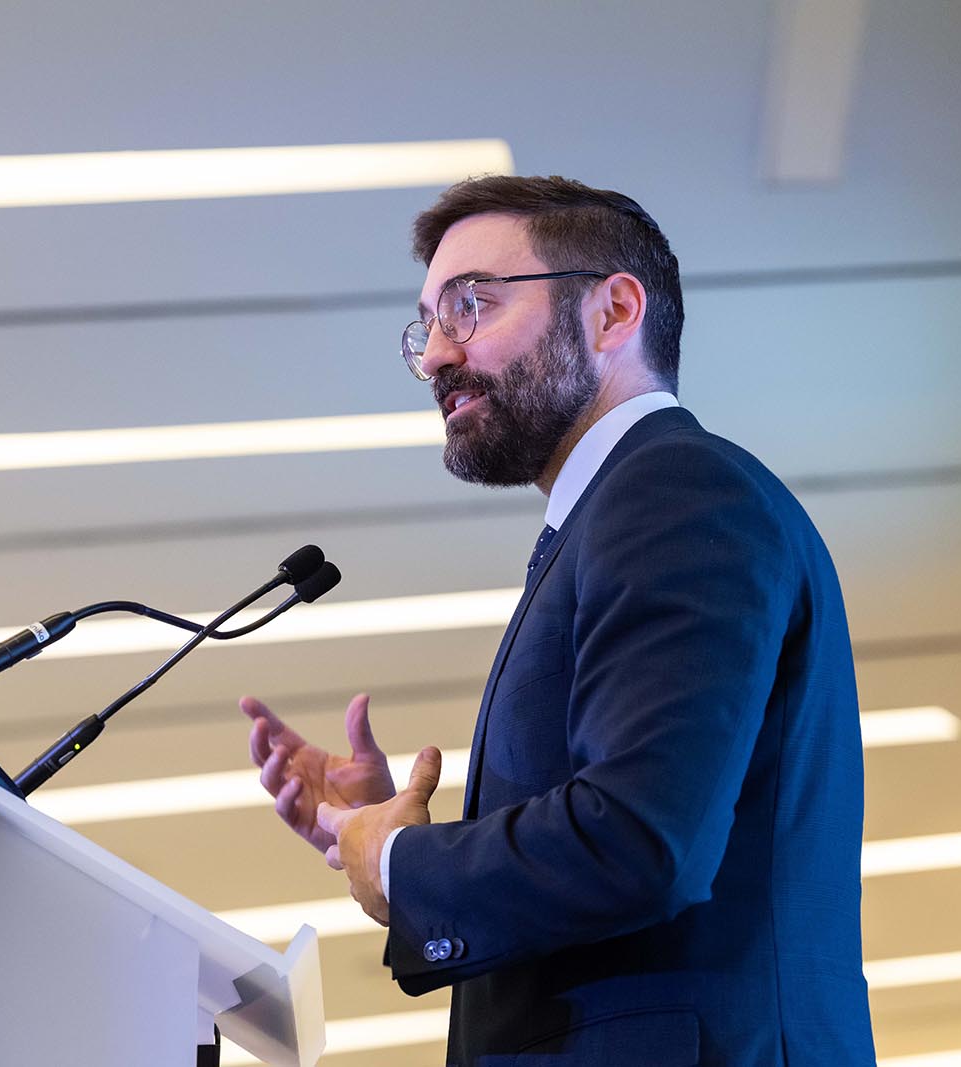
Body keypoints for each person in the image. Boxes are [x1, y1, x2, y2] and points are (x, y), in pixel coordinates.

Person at [241, 176, 876, 1066]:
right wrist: (388, 828)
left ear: (614, 311)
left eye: (470, 306)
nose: (434, 357)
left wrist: (400, 863)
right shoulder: (617, 514)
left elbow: (641, 838)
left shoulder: (674, 492)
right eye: (426, 325)